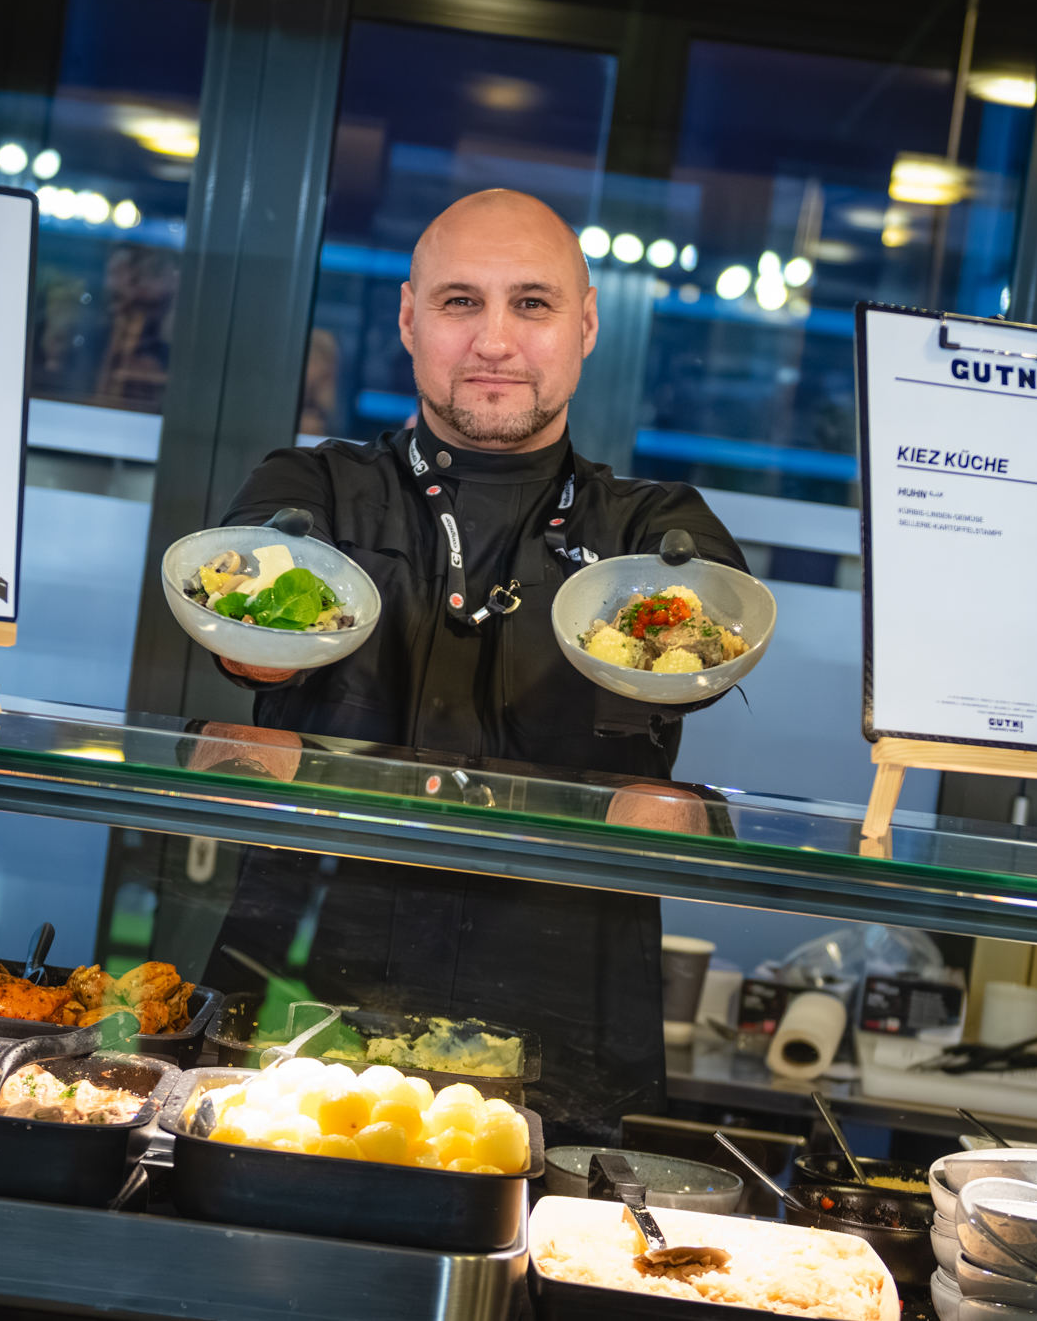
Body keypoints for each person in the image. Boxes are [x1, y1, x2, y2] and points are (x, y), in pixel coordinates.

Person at [201, 189, 747, 1143]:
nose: (494, 339)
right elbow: (235, 614)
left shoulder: (655, 529)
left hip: (561, 1024)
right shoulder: (310, 489)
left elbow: (718, 616)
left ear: (585, 326)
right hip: (305, 992)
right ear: (409, 317)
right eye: (461, 302)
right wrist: (261, 630)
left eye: (531, 304)